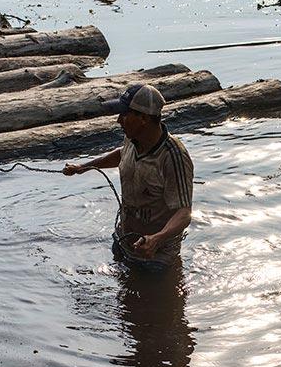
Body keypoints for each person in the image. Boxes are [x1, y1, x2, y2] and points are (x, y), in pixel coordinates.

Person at [63, 83, 194, 272]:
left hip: (156, 254)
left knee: (157, 298)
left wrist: (155, 239)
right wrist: (83, 167)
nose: (118, 120)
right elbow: (122, 154)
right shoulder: (133, 138)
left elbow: (184, 214)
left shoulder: (173, 157)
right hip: (124, 238)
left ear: (143, 118)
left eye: (124, 114)